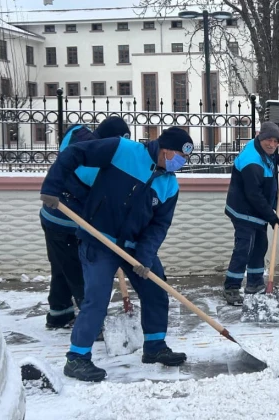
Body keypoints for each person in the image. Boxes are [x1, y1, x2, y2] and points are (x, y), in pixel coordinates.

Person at [40, 126, 193, 382]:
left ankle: (154, 347)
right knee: (96, 300)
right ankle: (77, 358)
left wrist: (145, 256)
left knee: (156, 290)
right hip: (99, 239)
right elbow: (75, 154)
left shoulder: (170, 185)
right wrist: (52, 187)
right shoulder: (123, 150)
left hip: (134, 246)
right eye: (180, 156)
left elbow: (159, 225)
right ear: (165, 150)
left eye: (185, 159)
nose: (181, 163)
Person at [40, 117, 130, 329]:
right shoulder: (96, 167)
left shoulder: (76, 135)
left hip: (49, 217)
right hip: (69, 224)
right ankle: (93, 323)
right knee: (78, 273)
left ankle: (59, 314)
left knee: (61, 268)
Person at [221, 122, 279, 306]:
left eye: (276, 141)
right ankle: (232, 287)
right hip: (244, 210)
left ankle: (255, 283)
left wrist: (278, 159)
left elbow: (269, 154)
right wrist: (271, 215)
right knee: (244, 248)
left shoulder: (261, 148)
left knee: (260, 246)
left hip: (258, 211)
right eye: (269, 139)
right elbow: (254, 195)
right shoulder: (252, 161)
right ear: (260, 136)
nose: (272, 144)